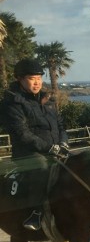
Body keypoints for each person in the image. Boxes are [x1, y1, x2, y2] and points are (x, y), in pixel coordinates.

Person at [1, 58, 69, 231]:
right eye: (32, 78)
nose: (37, 82)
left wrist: (63, 143)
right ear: (19, 79)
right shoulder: (12, 103)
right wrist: (48, 148)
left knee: (80, 163)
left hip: (55, 149)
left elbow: (61, 125)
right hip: (28, 153)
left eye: (39, 78)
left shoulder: (48, 100)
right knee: (42, 168)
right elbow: (22, 133)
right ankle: (36, 212)